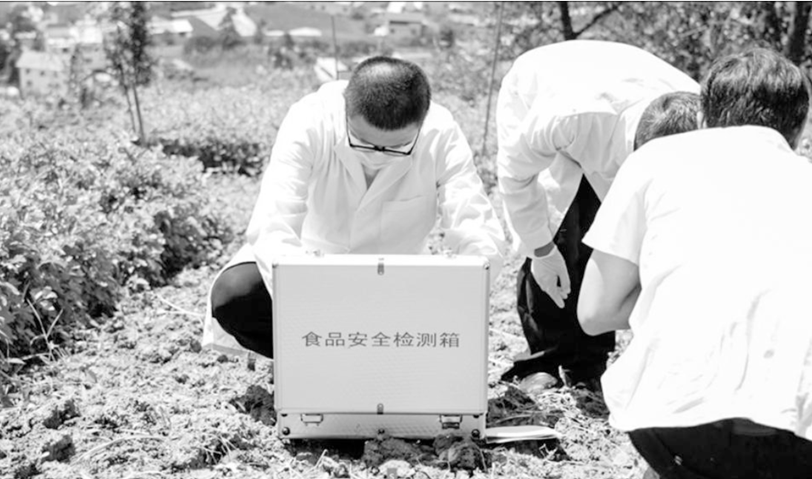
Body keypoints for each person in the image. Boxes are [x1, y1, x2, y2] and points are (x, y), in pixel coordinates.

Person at [578, 48, 812, 478]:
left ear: (702, 118)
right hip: (798, 437)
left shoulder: (654, 160)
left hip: (676, 428)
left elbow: (594, 313)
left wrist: (674, 292)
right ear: (798, 131)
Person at [203, 56, 507, 357]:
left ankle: (379, 360)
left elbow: (475, 224)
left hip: (397, 279)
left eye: (398, 147)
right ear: (346, 110)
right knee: (236, 296)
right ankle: (316, 361)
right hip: (313, 269)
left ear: (421, 123)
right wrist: (318, 308)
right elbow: (273, 224)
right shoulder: (311, 120)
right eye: (363, 142)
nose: (378, 156)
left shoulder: (441, 133)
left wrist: (459, 297)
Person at [495, 40, 700, 388]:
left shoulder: (704, 123)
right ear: (637, 149)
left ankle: (589, 362)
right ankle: (542, 359)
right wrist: (541, 250)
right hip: (545, 91)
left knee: (609, 239)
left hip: (613, 86)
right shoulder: (568, 116)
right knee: (559, 229)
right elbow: (516, 174)